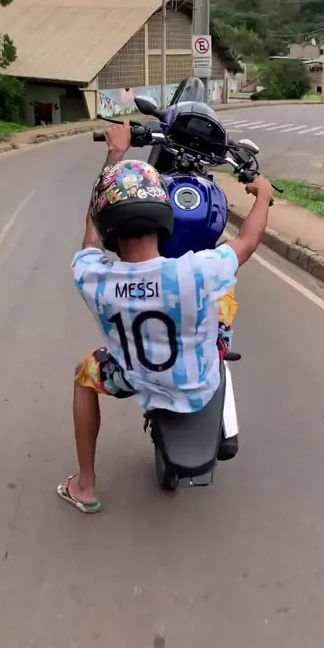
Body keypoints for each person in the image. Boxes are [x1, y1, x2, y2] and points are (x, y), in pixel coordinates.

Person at [58, 121, 273, 513]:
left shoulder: (92, 276)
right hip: (199, 381)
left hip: (134, 377)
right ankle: (221, 351)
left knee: (83, 375)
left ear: (109, 227)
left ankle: (85, 485)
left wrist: (115, 155)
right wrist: (264, 196)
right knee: (223, 294)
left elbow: (90, 238)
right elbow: (248, 241)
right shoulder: (197, 272)